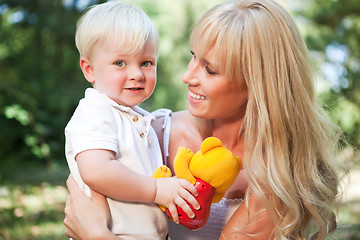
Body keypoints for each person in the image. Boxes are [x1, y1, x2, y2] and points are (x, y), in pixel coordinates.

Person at [64, 0, 342, 239]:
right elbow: (89, 181)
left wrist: (96, 235)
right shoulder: (153, 131)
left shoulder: (276, 173)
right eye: (193, 57)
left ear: (256, 84)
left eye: (209, 70)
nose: (187, 77)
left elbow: (93, 226)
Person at [64, 1, 200, 239]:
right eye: (120, 63)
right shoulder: (95, 111)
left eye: (146, 63)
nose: (137, 74)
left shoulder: (137, 118)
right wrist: (157, 189)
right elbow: (96, 170)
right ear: (89, 70)